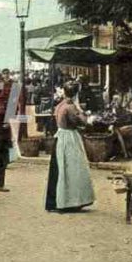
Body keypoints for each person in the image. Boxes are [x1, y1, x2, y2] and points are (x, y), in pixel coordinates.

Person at [44, 81, 96, 212]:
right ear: (76, 93)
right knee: (74, 169)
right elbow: (81, 122)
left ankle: (57, 201)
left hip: (60, 136)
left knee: (61, 169)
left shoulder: (60, 105)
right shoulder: (71, 107)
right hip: (70, 138)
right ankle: (71, 201)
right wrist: (87, 116)